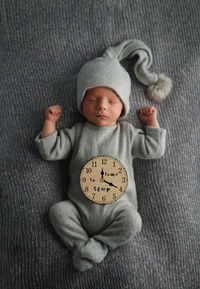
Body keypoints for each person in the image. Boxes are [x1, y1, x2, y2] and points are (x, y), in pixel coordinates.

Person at [35, 39, 172, 271]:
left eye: (111, 101)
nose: (101, 106)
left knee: (134, 221)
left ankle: (98, 245)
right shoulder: (77, 133)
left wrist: (151, 122)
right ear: (81, 103)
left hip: (118, 210)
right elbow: (49, 150)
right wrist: (49, 122)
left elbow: (154, 149)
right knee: (57, 212)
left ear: (123, 106)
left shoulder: (127, 133)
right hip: (79, 210)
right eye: (92, 99)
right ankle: (81, 244)